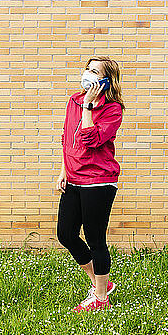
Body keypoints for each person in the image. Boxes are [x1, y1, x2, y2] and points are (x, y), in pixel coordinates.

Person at [55, 56, 126, 312]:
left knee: (95, 238)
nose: (87, 73)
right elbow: (67, 137)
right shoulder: (74, 100)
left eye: (94, 71)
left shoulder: (112, 109)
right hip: (74, 178)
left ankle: (100, 299)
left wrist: (88, 107)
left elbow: (89, 140)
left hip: (99, 181)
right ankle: (101, 284)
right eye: (87, 68)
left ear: (106, 80)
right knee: (66, 234)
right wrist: (64, 169)